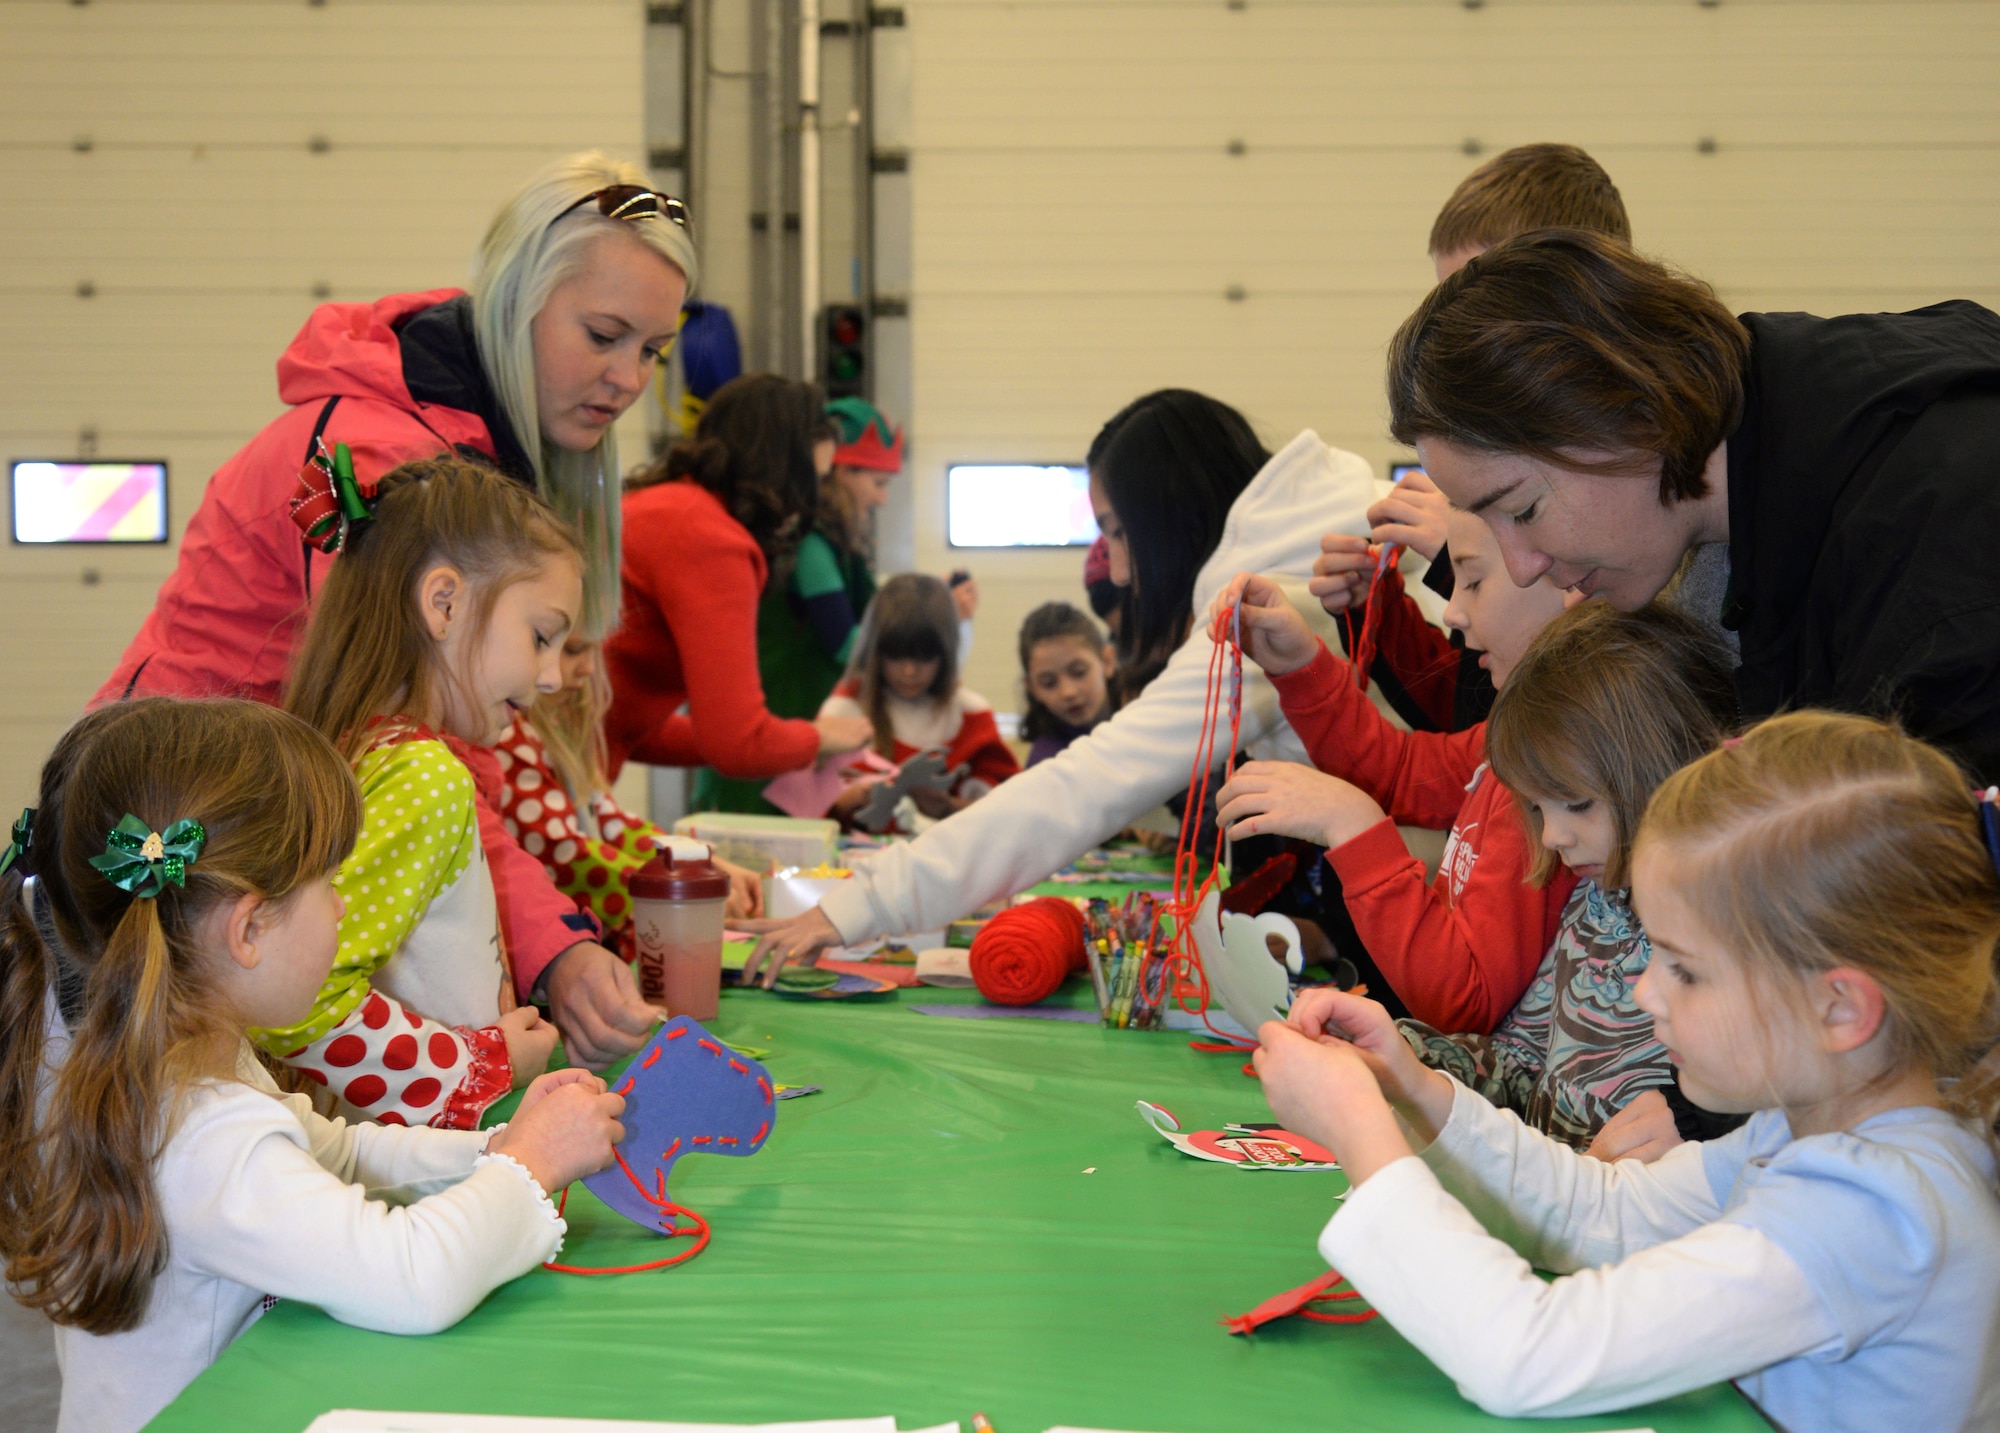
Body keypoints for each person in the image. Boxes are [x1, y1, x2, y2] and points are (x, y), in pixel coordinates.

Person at [1254, 711, 2000, 1430]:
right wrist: (1414, 1091)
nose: (1646, 992)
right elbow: (1606, 1213)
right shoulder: (1811, 1132)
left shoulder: (1875, 1209)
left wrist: (1359, 1132)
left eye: (1686, 969)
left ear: (1839, 1008)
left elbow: (1528, 1353)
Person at [0, 698, 624, 1433]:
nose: (340, 906)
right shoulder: (204, 1136)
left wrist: (492, 1147)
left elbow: (338, 1147)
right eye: (329, 882)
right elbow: (411, 1277)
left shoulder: (179, 1053)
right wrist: (528, 1166)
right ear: (250, 928)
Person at [743, 389, 1374, 982]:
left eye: (1119, 533)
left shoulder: (1271, 602)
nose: (1122, 572)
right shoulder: (1298, 549)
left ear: (1170, 513)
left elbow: (1082, 787)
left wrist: (859, 907)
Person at [1386, 227, 2000, 780]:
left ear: (1626, 412)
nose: (1522, 567)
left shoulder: (1940, 581)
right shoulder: (1778, 404)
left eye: (1522, 511)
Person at [98, 150, 695, 703]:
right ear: (514, 302)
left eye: (653, 351)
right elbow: (399, 723)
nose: (629, 379)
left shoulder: (470, 453)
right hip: (181, 795)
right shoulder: (375, 457)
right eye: (603, 336)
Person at [265, 458, 619, 1125]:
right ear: (445, 603)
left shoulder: (371, 752)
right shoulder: (421, 776)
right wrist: (483, 1063)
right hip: (420, 1187)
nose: (550, 678)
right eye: (542, 637)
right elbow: (298, 1002)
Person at [1208, 507, 1576, 1033]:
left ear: (1573, 580)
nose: (1451, 612)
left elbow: (1461, 1003)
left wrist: (1354, 828)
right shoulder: (1517, 738)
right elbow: (1401, 770)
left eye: (1470, 580)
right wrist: (1296, 664)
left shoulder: (1557, 765)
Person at [1315, 142, 1633, 734]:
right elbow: (1472, 720)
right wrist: (1375, 613)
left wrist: (1462, 553)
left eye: (1476, 303)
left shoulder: (1622, 481)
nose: (1450, 336)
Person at [1398, 602, 1737, 1150]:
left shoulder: (1729, 935)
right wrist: (1408, 1053)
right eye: (1537, 810)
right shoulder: (1593, 903)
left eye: (1577, 804)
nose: (1554, 837)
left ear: (1663, 769)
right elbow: (1525, 1061)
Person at [602, 374, 872, 783]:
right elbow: (739, 746)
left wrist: (792, 742)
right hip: (542, 770)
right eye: (812, 478)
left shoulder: (665, 505)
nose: (812, 499)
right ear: (782, 469)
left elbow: (628, 729)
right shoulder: (708, 538)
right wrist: (816, 738)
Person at [494, 634, 764, 959]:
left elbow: (615, 826)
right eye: (573, 651)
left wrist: (701, 862)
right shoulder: (508, 738)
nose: (589, 668)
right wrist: (680, 889)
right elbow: (567, 856)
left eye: (593, 651)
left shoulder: (556, 729)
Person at [821, 575, 1018, 821]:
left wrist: (949, 807)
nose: (909, 671)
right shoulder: (844, 712)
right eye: (895, 656)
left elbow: (1008, 810)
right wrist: (842, 804)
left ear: (945, 653)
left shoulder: (970, 715)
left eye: (924, 657)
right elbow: (803, 819)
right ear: (875, 651)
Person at [1017, 601, 1117, 767]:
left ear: (1107, 661)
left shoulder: (1147, 717)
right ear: (1032, 688)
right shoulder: (1046, 764)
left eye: (1079, 672)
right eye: (1049, 683)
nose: (1067, 692)